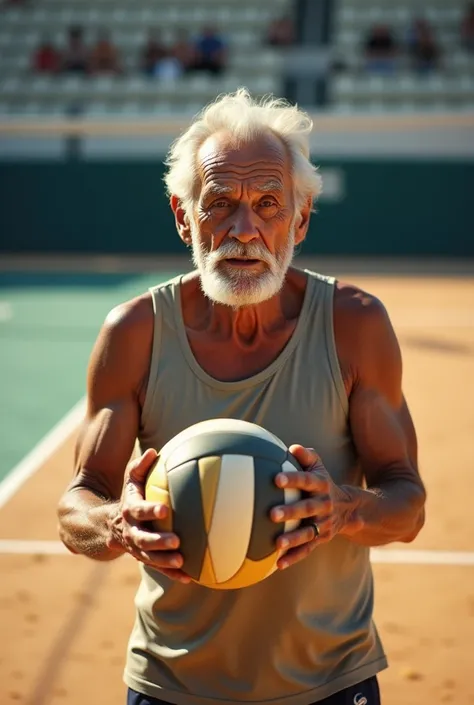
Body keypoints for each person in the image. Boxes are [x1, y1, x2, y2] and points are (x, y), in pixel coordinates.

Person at [57, 89, 426, 705]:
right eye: (220, 203)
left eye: (268, 205)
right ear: (183, 215)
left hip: (330, 682)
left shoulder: (354, 325)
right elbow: (77, 506)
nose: (244, 229)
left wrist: (344, 509)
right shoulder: (135, 332)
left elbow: (407, 505)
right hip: (171, 685)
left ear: (300, 220)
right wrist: (117, 525)